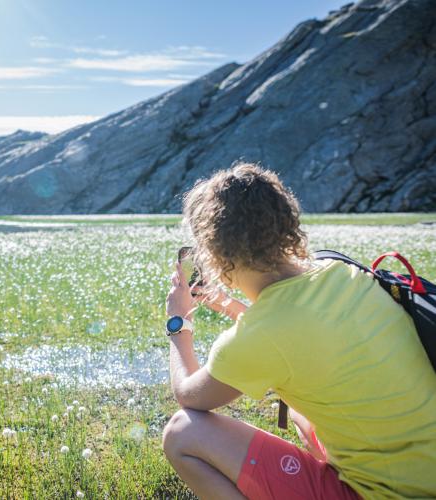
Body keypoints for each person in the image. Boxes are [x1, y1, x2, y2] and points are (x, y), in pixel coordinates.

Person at [161, 162, 436, 499]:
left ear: (214, 256)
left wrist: (178, 323)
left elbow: (190, 395)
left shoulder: (259, 336)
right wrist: (231, 306)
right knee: (299, 408)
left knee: (182, 433)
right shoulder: (340, 271)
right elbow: (295, 335)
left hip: (395, 493)